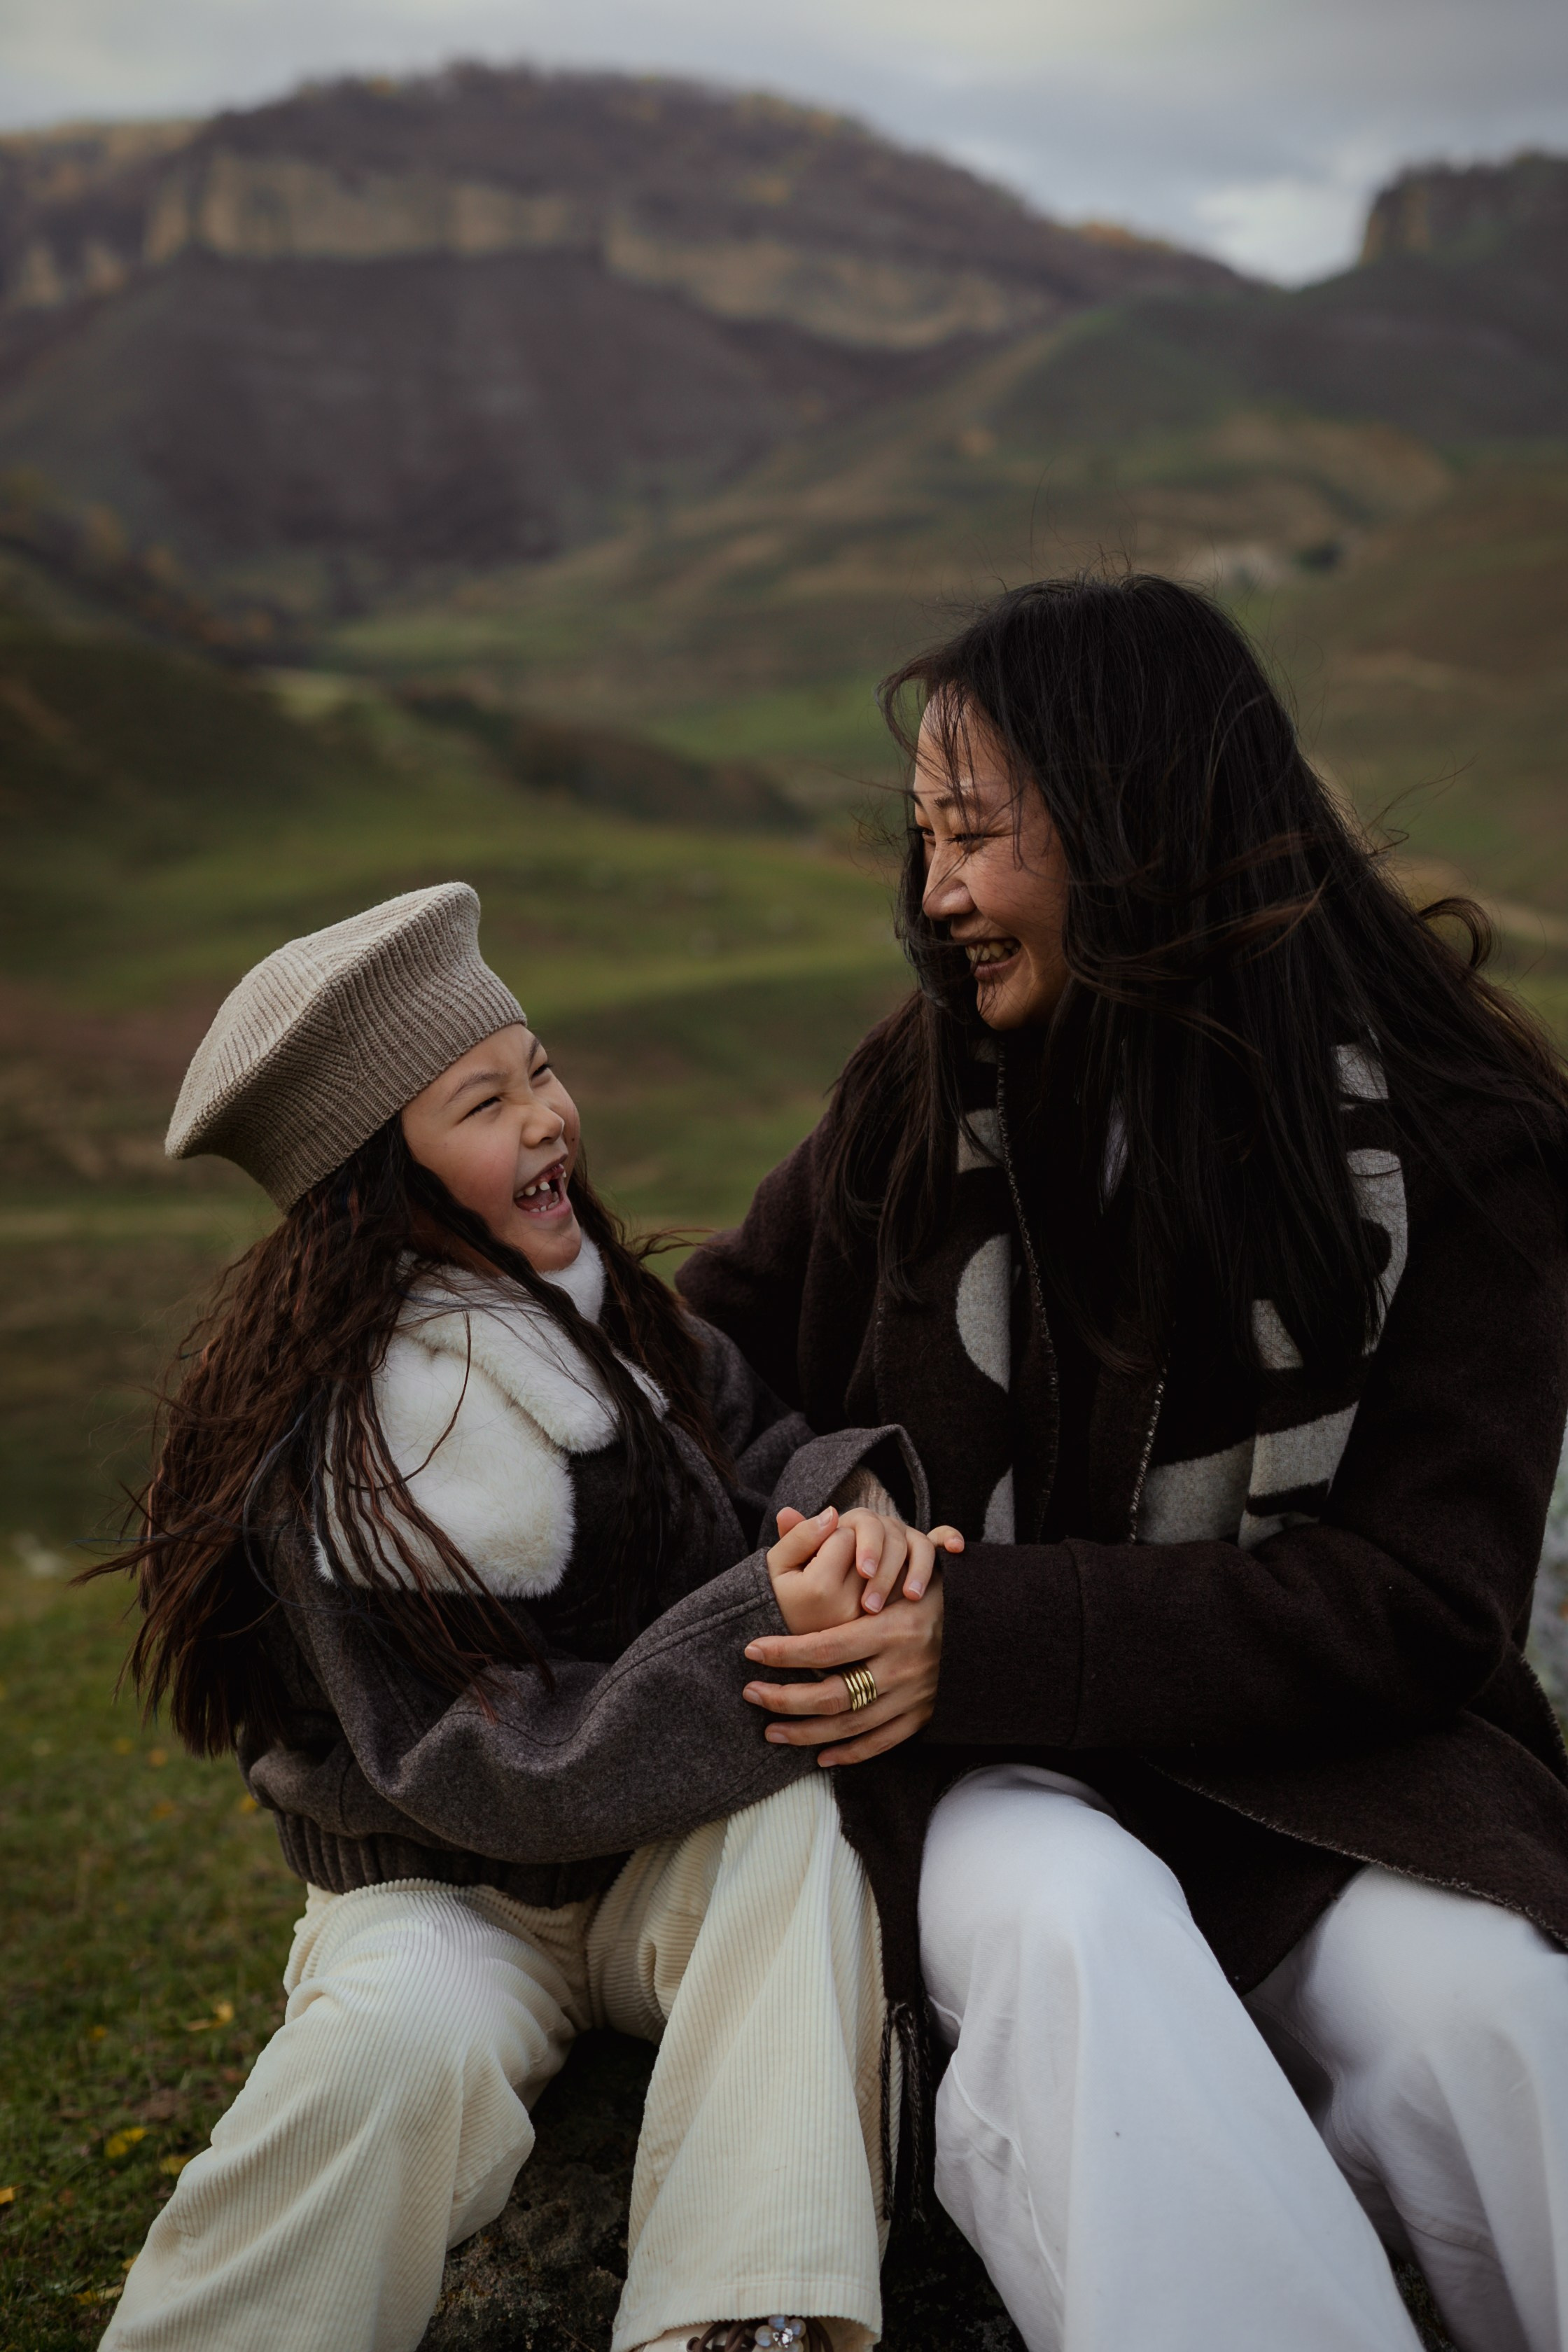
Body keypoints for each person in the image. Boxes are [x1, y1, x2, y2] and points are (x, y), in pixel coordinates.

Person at [679, 575, 1568, 2352]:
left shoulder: (1463, 1144)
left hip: (1325, 1777)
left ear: (1128, 823)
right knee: (1070, 1926)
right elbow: (717, 1359)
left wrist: (986, 1629)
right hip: (987, 1775)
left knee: (1484, 2011)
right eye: (923, 838)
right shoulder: (920, 1086)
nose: (933, 893)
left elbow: (1421, 1610)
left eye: (975, 837)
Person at [97, 883, 955, 2352]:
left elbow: (746, 1442)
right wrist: (760, 1615)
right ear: (384, 1178)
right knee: (385, 2055)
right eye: (484, 1101)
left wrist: (844, 1515)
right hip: (445, 1895)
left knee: (797, 1838)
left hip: (635, 1875)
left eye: (539, 1068)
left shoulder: (593, 1305)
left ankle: (740, 2317)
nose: (547, 1115)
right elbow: (475, 1763)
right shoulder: (343, 1454)